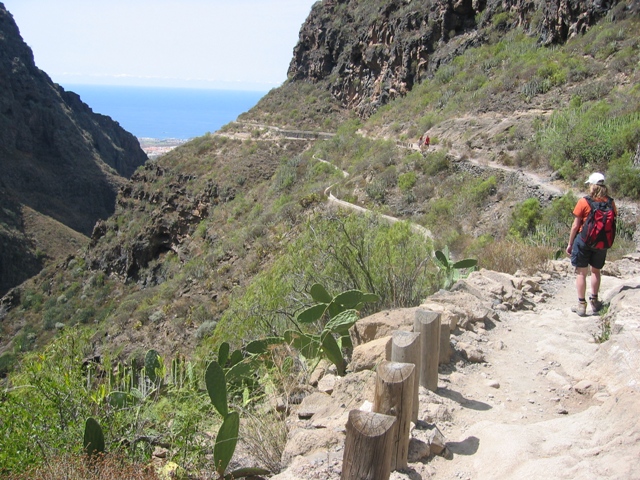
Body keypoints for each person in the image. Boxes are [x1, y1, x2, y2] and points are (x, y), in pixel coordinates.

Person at [566, 172, 617, 316]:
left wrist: (570, 243)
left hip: (583, 241)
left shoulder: (584, 202)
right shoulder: (610, 202)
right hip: (601, 242)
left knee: (581, 273)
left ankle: (581, 305)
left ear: (592, 185)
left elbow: (575, 226)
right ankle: (595, 301)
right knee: (596, 271)